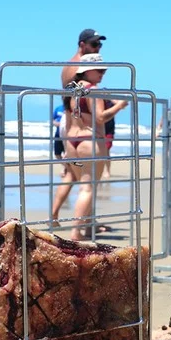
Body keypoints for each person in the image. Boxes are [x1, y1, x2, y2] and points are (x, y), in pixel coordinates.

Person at [55, 53, 127, 239]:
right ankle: (75, 231)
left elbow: (69, 120)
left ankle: (86, 227)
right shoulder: (93, 90)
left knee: (82, 185)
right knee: (87, 188)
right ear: (87, 71)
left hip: (72, 141)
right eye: (100, 70)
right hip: (90, 140)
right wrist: (120, 106)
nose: (103, 73)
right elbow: (100, 117)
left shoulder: (72, 90)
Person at [52, 101, 66, 175]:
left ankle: (65, 169)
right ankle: (65, 166)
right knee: (57, 153)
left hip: (67, 134)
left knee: (66, 153)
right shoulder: (58, 108)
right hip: (58, 133)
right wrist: (57, 124)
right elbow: (53, 120)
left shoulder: (71, 108)